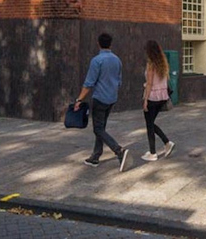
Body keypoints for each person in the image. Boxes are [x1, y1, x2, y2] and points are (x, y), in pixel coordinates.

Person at [74, 33, 132, 172]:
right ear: (110, 44)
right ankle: (95, 156)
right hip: (111, 98)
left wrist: (79, 100)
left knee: (98, 129)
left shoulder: (97, 60)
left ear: (98, 43)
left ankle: (119, 151)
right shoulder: (117, 60)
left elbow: (89, 83)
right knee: (101, 128)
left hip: (100, 98)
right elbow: (119, 80)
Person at [141, 40, 175, 162]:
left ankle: (153, 152)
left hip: (152, 97)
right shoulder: (163, 63)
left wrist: (145, 100)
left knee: (149, 124)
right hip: (162, 97)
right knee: (150, 123)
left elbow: (149, 83)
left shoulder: (151, 64)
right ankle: (166, 143)